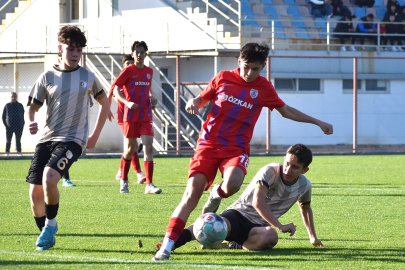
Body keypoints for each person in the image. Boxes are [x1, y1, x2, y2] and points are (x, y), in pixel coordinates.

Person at [152, 42, 333, 261]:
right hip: (208, 145)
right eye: (246, 66)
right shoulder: (223, 77)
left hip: (236, 149)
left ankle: (217, 193)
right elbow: (202, 98)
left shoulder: (264, 88)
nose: (249, 73)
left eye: (255, 69)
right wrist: (194, 101)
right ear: (239, 61)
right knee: (190, 197)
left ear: (262, 67)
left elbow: (285, 111)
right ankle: (167, 246)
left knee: (232, 185)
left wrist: (317, 121)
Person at [26, 25, 110, 251]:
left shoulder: (88, 77)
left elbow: (105, 102)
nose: (75, 54)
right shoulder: (47, 76)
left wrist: (93, 135)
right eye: (71, 49)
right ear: (60, 49)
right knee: (35, 193)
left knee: (49, 178)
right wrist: (31, 119)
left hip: (73, 139)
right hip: (46, 139)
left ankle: (51, 225)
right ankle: (46, 232)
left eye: (79, 50)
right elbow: (32, 106)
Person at [155, 144, 323, 254]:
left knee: (271, 238)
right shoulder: (270, 171)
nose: (288, 169)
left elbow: (305, 208)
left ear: (305, 170)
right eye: (287, 163)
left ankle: (231, 244)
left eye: (295, 167)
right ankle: (170, 243)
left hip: (258, 226)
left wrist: (312, 237)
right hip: (239, 215)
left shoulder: (304, 185)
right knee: (207, 226)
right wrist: (280, 225)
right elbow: (258, 202)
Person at [112, 41, 161, 194]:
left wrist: (153, 99)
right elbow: (115, 90)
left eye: (142, 52)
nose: (139, 55)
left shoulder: (149, 71)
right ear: (133, 54)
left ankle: (150, 185)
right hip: (131, 115)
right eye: (137, 52)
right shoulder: (128, 70)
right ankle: (124, 180)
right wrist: (126, 102)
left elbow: (146, 91)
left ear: (146, 54)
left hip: (145, 115)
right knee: (129, 150)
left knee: (148, 147)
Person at [109, 54, 147, 185]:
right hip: (123, 117)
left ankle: (120, 172)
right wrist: (108, 108)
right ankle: (139, 174)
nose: (130, 66)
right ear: (123, 66)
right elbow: (111, 92)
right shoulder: (120, 79)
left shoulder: (135, 78)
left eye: (132, 64)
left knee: (129, 147)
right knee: (133, 146)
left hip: (136, 116)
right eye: (128, 64)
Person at [2, 92, 25, 156]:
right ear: (10, 97)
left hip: (19, 126)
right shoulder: (7, 105)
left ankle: (19, 152)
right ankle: (7, 152)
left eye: (14, 96)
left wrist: (22, 124)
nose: (13, 98)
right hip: (9, 126)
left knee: (18, 140)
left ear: (16, 97)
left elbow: (23, 115)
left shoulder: (20, 105)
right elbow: (3, 116)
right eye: (12, 96)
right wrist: (6, 125)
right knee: (8, 140)